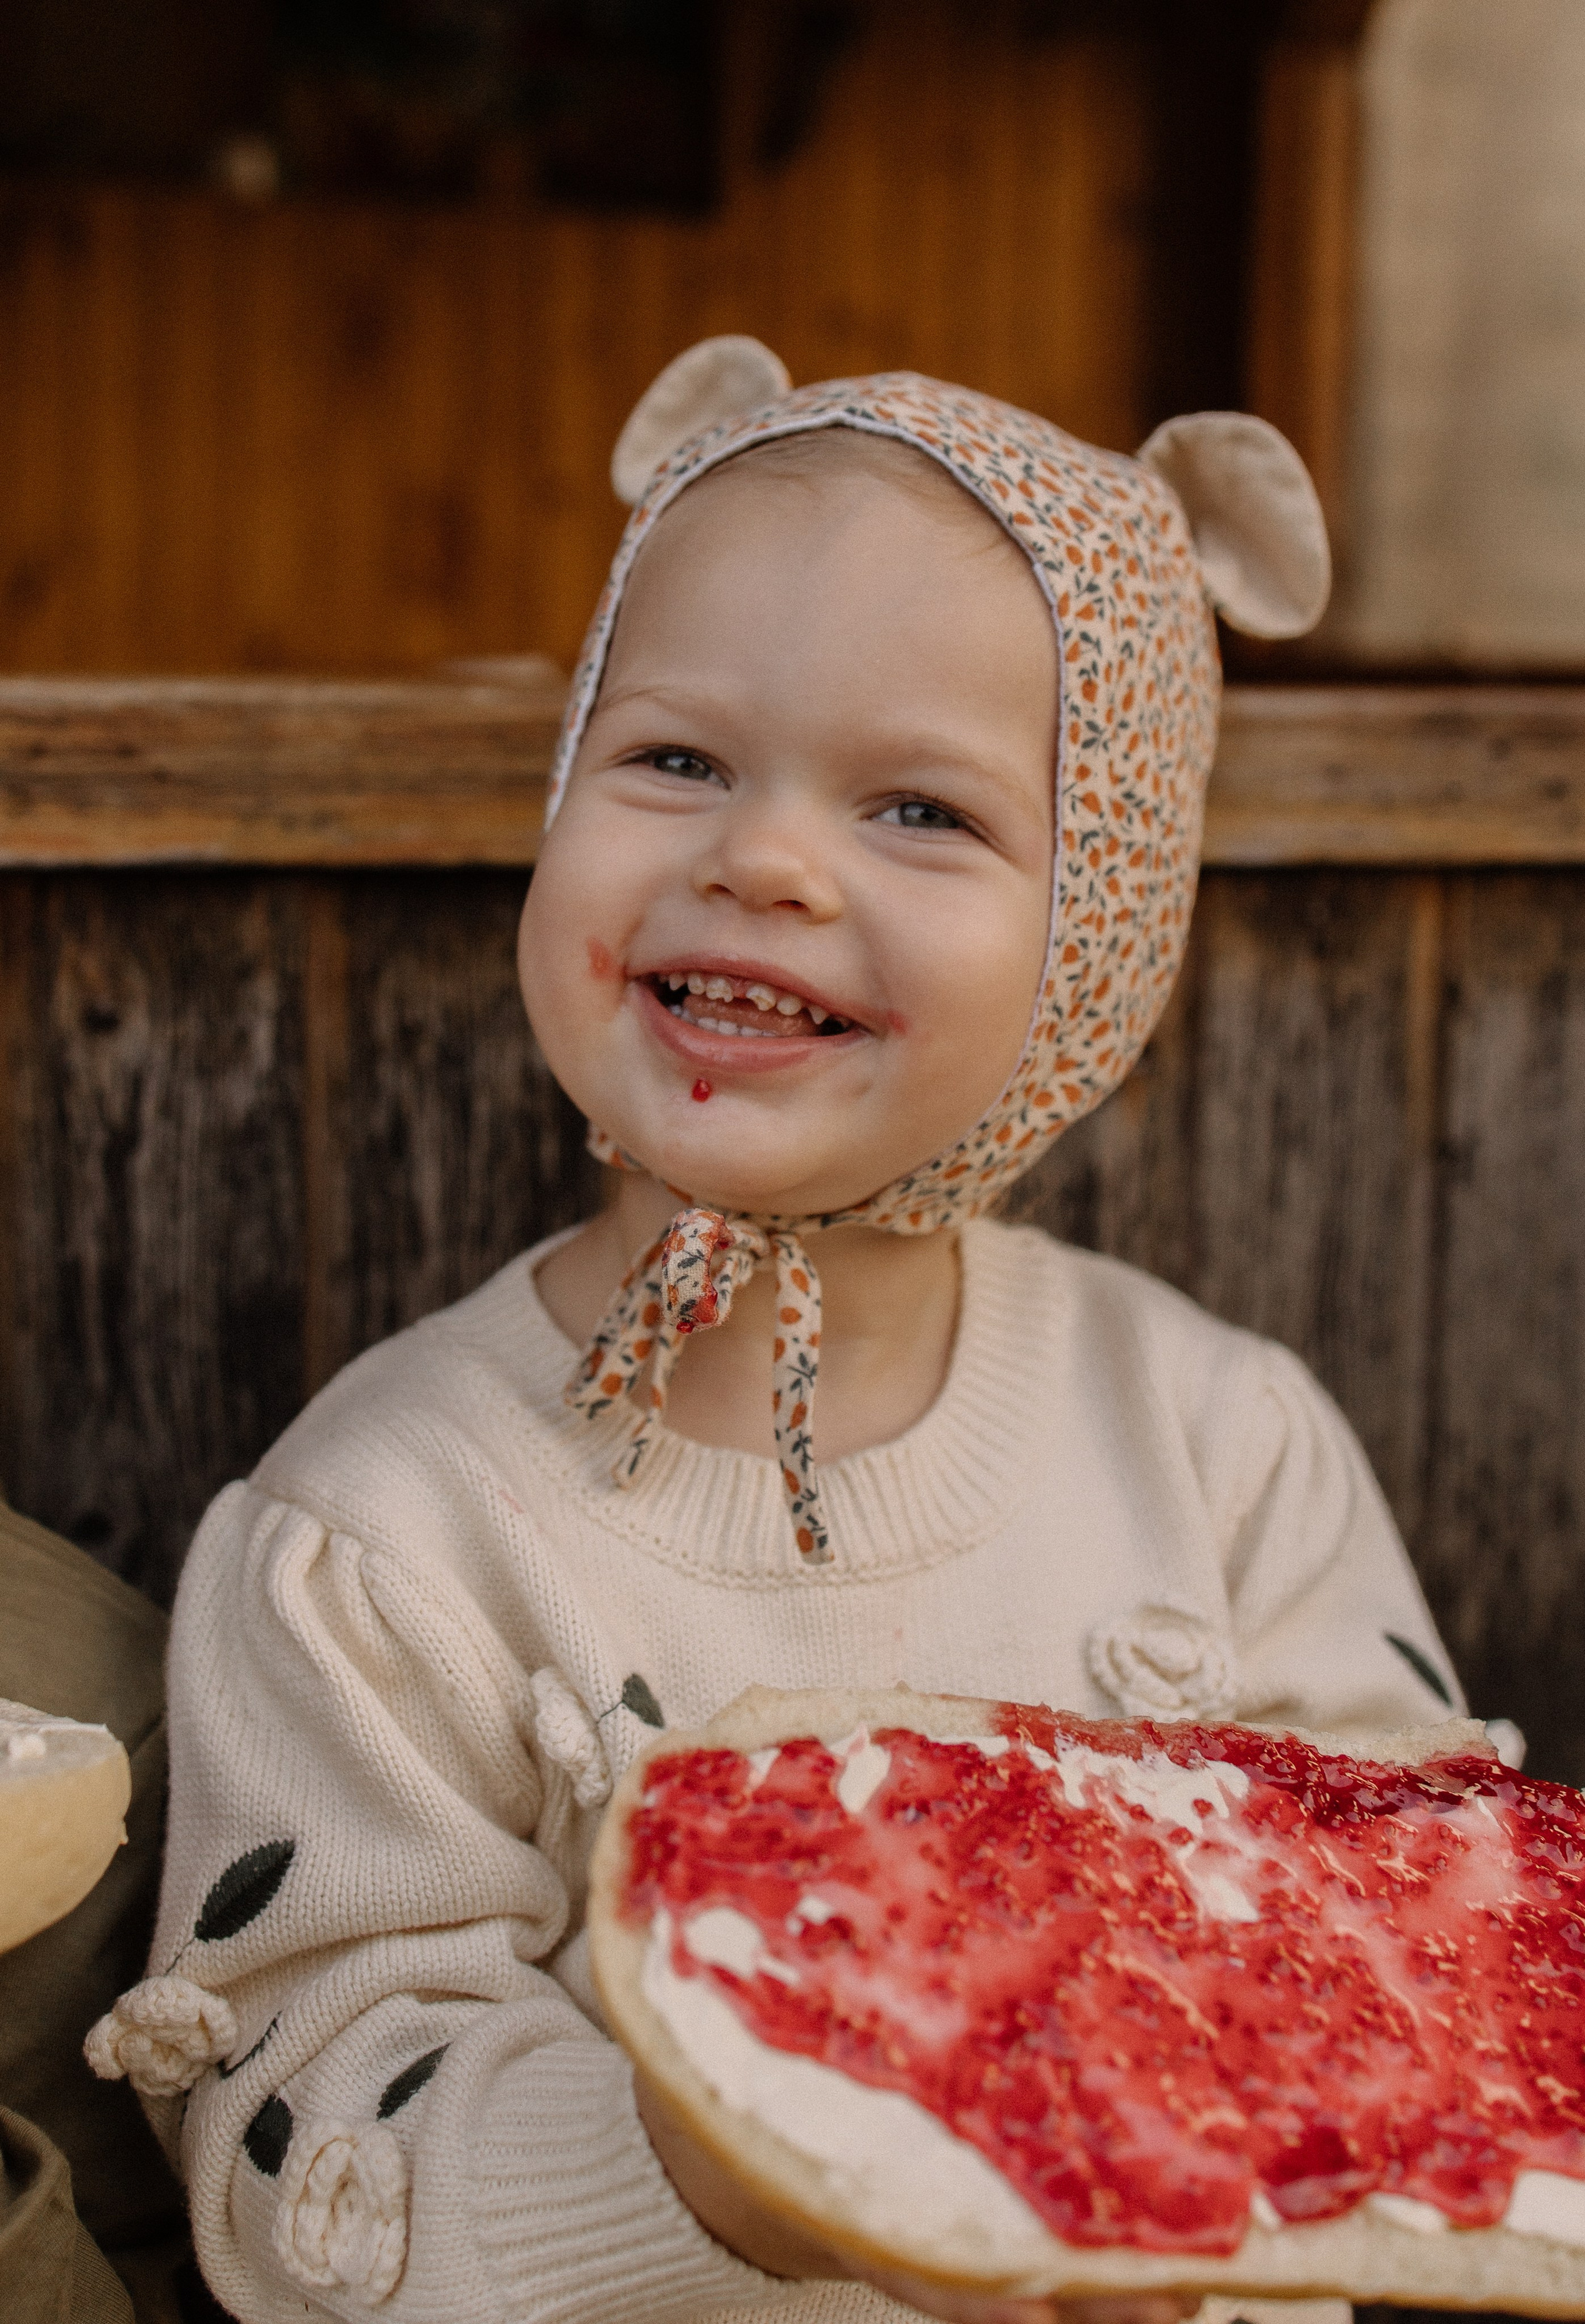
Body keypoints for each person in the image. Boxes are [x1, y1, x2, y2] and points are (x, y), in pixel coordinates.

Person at [87, 343, 1462, 2324]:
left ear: (1099, 938)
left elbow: (1411, 1967)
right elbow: (305, 2132)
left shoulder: (1226, 1449)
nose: (766, 859)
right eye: (675, 760)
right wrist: (752, 2169)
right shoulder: (382, 1533)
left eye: (919, 806)